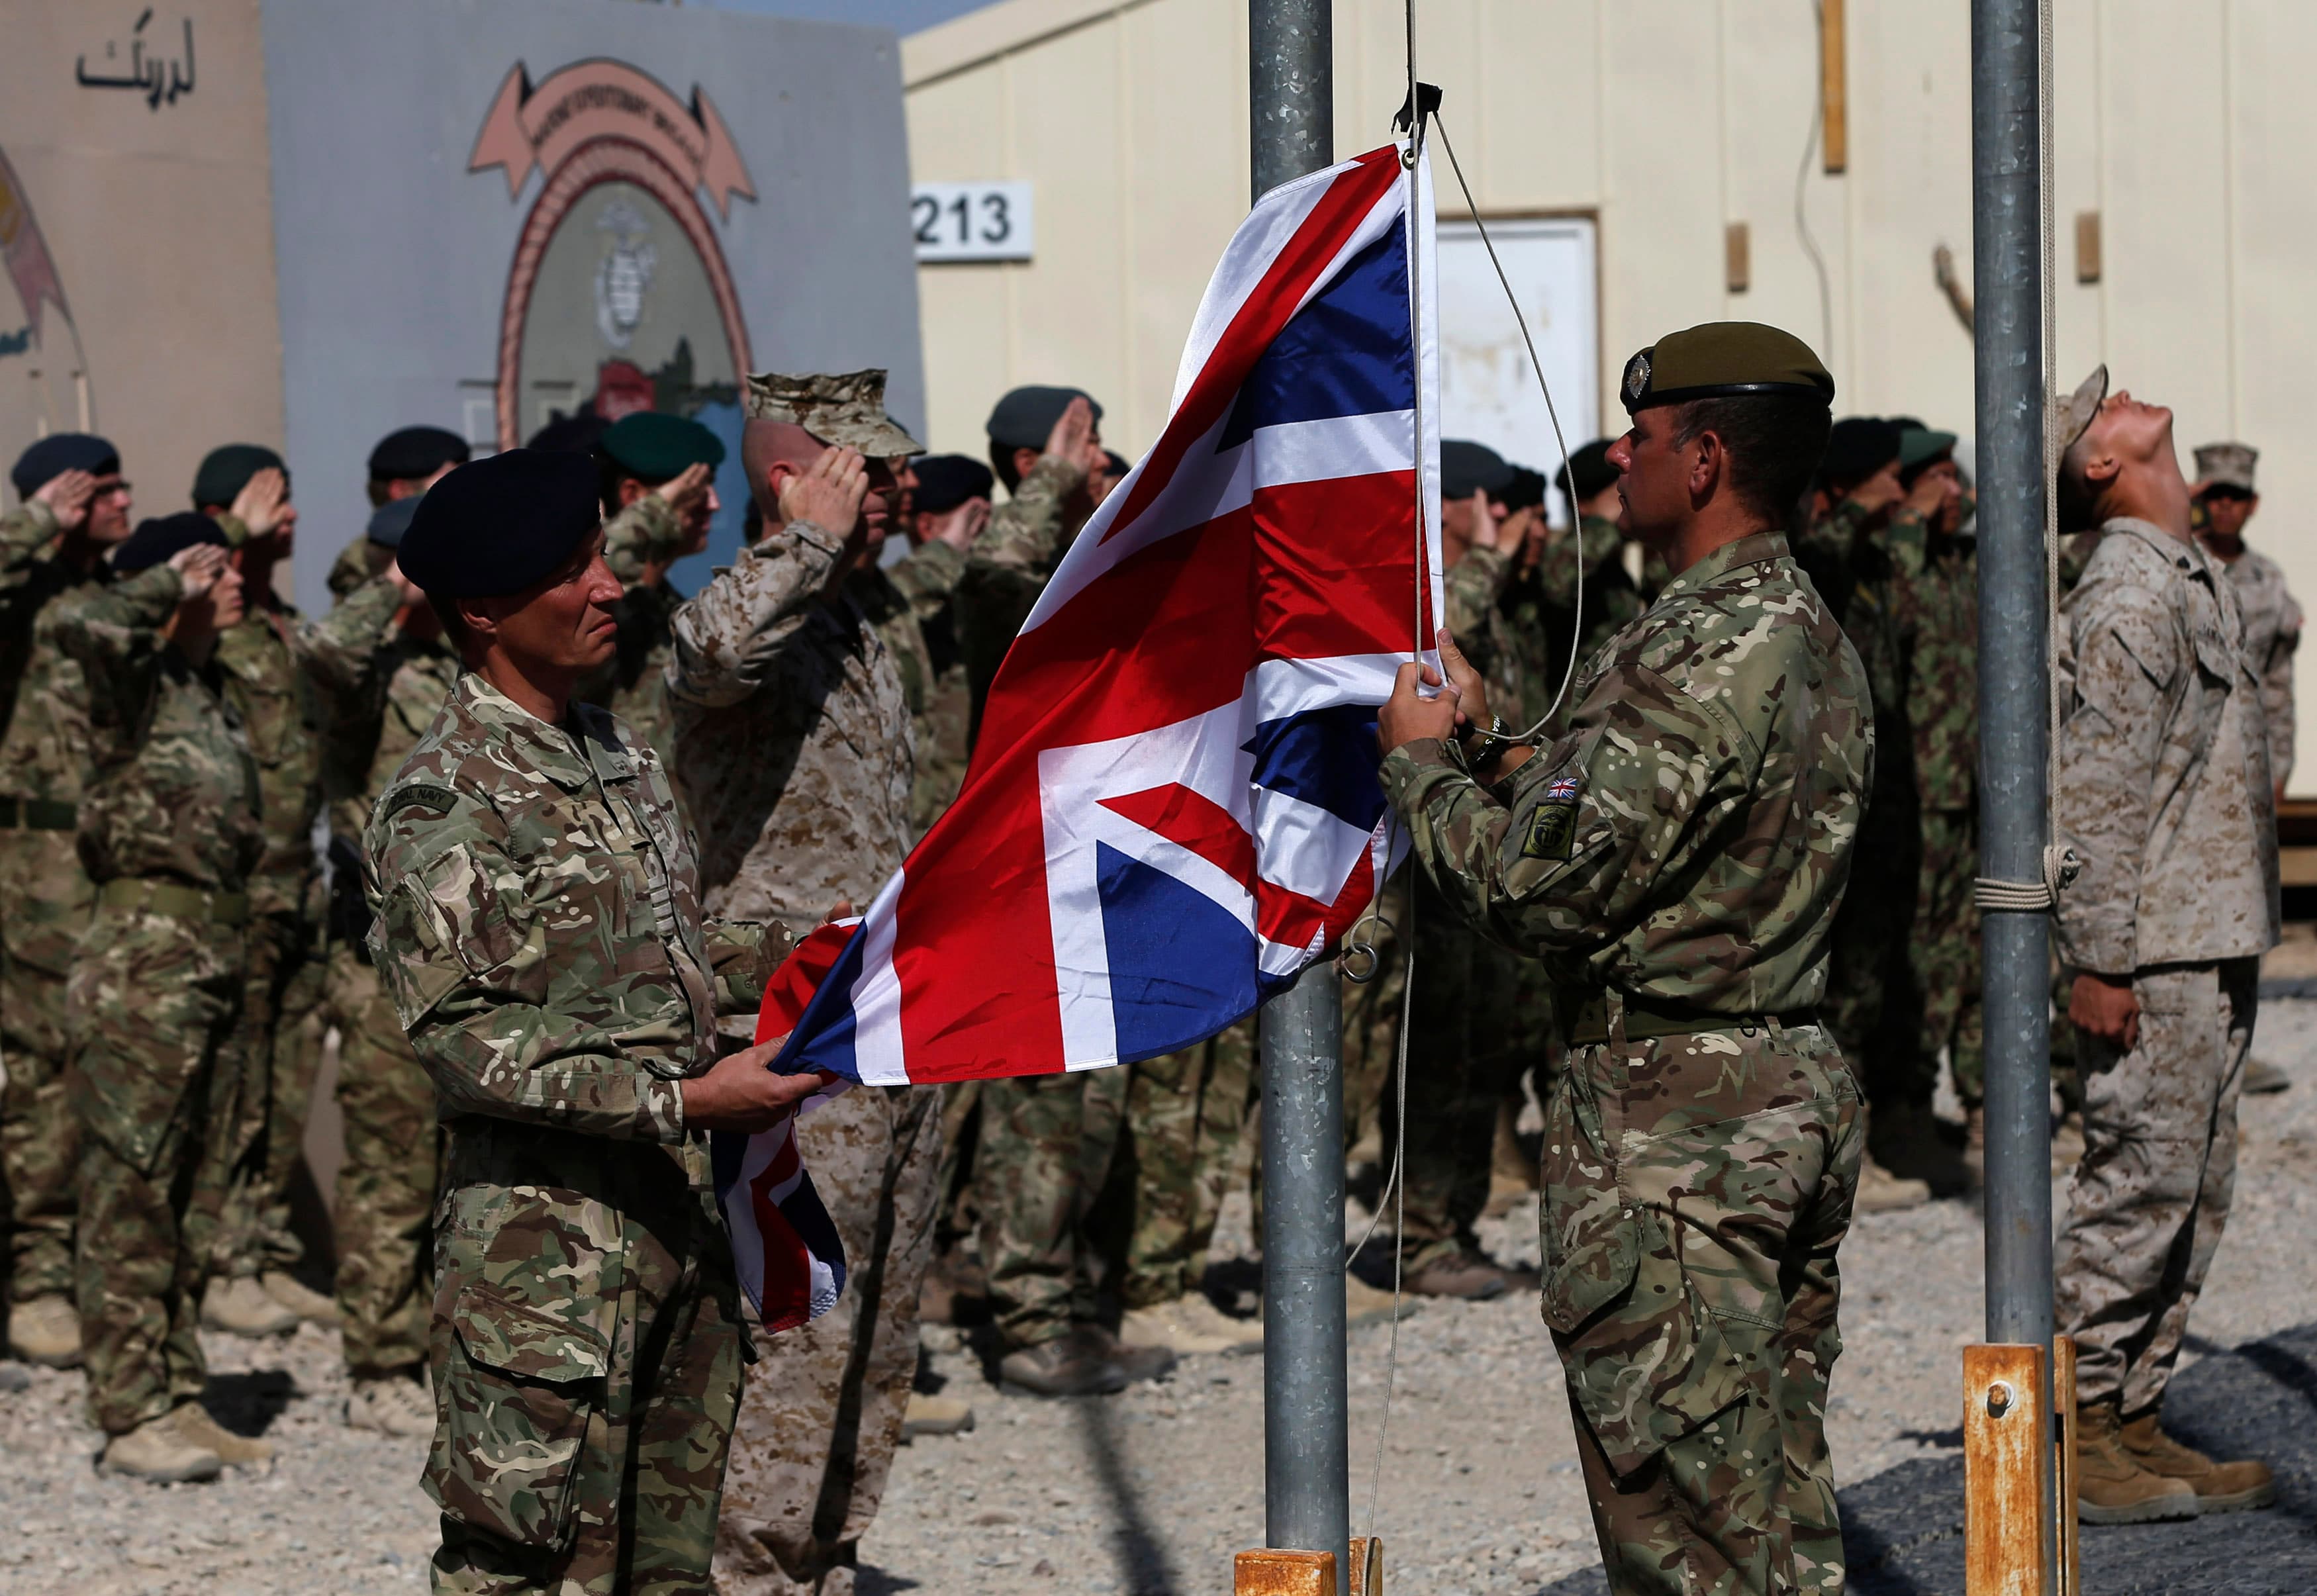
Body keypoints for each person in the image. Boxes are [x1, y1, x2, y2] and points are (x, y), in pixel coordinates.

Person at [1378, 322, 1868, 1593]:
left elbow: (1538, 888)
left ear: (1703, 459)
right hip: (1770, 1084)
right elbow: (1653, 839)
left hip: (1677, 1132)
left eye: (1641, 438)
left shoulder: (1706, 647)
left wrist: (1419, 764)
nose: (1619, 456)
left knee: (1692, 1538)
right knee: (1768, 1510)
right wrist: (1489, 747)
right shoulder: (1783, 623)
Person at [363, 448, 822, 1591]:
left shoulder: (616, 752)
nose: (609, 586)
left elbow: (666, 953)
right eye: (572, 569)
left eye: (601, 558)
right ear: (482, 610)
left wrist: (831, 949)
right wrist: (687, 1097)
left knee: (668, 1563)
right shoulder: (447, 795)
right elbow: (468, 1046)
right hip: (544, 1264)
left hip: (671, 1229)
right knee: (520, 1562)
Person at [668, 369, 962, 1590]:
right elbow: (711, 650)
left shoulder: (854, 621)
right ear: (793, 481)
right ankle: (752, 1570)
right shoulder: (755, 611)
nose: (896, 490)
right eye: (867, 471)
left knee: (882, 1312)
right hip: (788, 1030)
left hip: (884, 1013)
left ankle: (825, 1548)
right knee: (799, 1314)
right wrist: (803, 544)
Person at [2049, 366, 2281, 1524]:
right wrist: (2099, 958)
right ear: (2102, 467)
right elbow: (2097, 796)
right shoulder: (2127, 599)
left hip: (2206, 932)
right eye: (2106, 406)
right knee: (2137, 1187)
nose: (2126, 390)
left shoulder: (2178, 575)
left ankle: (2135, 1415)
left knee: (2196, 1191)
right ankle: (2081, 1429)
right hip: (2154, 951)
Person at [61, 514, 265, 1481]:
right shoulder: (128, 680)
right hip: (144, 961)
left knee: (192, 1188)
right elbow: (91, 626)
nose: (233, 581)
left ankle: (178, 1390)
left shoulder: (205, 688)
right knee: (130, 1188)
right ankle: (128, 1404)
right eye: (211, 569)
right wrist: (158, 585)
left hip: (212, 956)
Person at [189, 445, 409, 1340]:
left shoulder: (275, 615)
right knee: (227, 1079)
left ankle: (262, 1245)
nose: (288, 512)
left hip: (294, 882)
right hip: (228, 887)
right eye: (268, 498)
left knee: (279, 1082)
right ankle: (218, 1258)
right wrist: (226, 529)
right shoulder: (204, 612)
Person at [308, 488, 463, 1436]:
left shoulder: (459, 661)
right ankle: (375, 1361)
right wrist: (395, 584)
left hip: (468, 955)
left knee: (455, 1169)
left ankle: (449, 1349)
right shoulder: (361, 668)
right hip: (383, 956)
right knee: (390, 1165)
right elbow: (325, 651)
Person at [1, 434, 136, 1370]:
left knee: (113, 1051)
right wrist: (33, 523)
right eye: (103, 487)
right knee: (43, 1056)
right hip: (36, 854)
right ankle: (40, 1275)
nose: (122, 499)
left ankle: (104, 1271)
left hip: (115, 845)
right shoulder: (21, 586)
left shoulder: (115, 591)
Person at [1799, 416, 1936, 1211]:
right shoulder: (1823, 554)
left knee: (1877, 980)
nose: (1907, 489)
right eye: (1891, 474)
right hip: (1834, 806)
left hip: (1888, 798)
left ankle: (1866, 1137)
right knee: (1841, 988)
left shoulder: (1879, 562)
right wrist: (1869, 501)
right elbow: (1821, 550)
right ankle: (1835, 1158)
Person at [2191, 442, 2298, 1098]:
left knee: (2245, 903)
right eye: (2216, 495)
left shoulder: (2266, 581)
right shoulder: (2182, 561)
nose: (2225, 507)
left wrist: (2279, 766)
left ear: (2251, 503)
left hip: (2247, 765)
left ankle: (2234, 1041)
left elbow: (2278, 682)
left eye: (2236, 496)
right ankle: (2189, 1044)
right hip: (2189, 762)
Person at [956, 386, 1111, 745]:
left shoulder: (1092, 556)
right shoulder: (978, 563)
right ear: (1031, 464)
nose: (1103, 460)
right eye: (1088, 445)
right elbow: (999, 574)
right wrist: (1053, 475)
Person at [585, 411, 723, 783]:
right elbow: (592, 564)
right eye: (697, 491)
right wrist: (654, 515)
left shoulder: (670, 606)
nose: (714, 504)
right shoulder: (595, 609)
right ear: (635, 497)